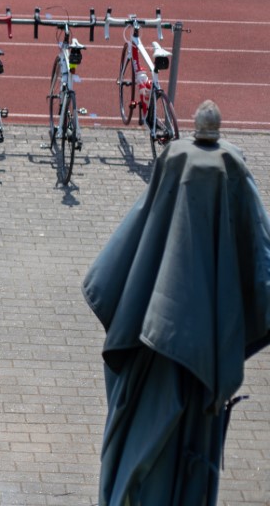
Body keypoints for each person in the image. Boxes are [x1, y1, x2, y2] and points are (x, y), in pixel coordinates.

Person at [83, 100, 270, 506]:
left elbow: (110, 281)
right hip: (190, 379)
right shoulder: (229, 178)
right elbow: (259, 267)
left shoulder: (148, 257)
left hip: (152, 364)